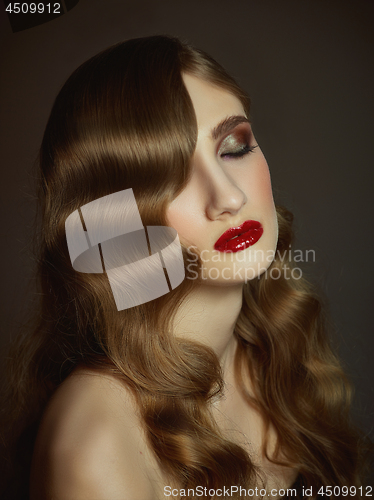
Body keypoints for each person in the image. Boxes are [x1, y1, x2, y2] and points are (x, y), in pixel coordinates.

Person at [0, 35, 369, 500]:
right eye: (171, 178)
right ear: (112, 220)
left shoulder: (269, 347)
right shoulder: (95, 441)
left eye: (235, 147)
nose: (230, 199)